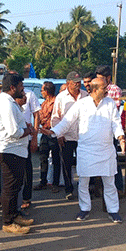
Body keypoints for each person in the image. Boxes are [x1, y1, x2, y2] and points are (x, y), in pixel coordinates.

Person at [46, 77, 126, 223]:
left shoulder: (110, 103)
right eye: (104, 88)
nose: (107, 90)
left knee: (109, 182)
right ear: (94, 90)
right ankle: (84, 209)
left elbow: (116, 123)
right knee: (83, 182)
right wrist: (53, 132)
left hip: (106, 150)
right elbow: (67, 122)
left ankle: (113, 210)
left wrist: (121, 137)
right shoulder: (81, 104)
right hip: (86, 150)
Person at [0, 73, 37, 234]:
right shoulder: (6, 104)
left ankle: (14, 215)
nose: (23, 89)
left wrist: (25, 127)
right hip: (10, 150)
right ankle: (7, 222)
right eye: (21, 86)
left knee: (16, 186)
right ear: (12, 87)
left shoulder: (11, 102)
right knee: (10, 188)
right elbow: (14, 131)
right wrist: (28, 130)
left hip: (17, 151)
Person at [51, 71, 87, 200]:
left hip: (83, 136)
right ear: (68, 83)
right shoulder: (61, 97)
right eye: (75, 82)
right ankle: (69, 189)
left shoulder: (85, 96)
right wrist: (59, 135)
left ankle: (85, 188)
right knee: (66, 164)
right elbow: (55, 118)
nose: (78, 84)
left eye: (79, 82)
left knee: (84, 164)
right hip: (67, 137)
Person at [96, 64, 124, 192]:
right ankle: (99, 187)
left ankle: (118, 187)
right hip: (97, 130)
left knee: (112, 160)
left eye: (101, 78)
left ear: (108, 78)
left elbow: (115, 111)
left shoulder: (114, 90)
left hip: (109, 130)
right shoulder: (96, 87)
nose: (99, 81)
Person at [17, 89, 40, 211]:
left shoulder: (29, 94)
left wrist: (34, 137)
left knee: (26, 168)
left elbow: (36, 115)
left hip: (26, 137)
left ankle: (26, 197)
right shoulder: (5, 97)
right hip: (11, 140)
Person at [34, 81, 60, 192]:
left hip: (53, 133)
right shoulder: (44, 103)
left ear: (47, 91)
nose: (41, 93)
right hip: (44, 133)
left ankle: (55, 183)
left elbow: (54, 118)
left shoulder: (56, 102)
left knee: (56, 159)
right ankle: (43, 181)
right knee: (43, 158)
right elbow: (40, 117)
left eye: (42, 90)